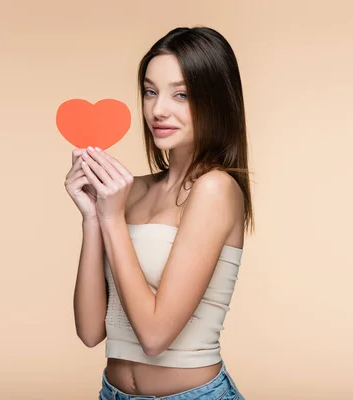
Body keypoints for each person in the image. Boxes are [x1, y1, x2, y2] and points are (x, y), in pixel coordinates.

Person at [64, 26, 253, 399]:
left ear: (215, 100)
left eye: (181, 95)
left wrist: (113, 219)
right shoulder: (129, 191)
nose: (157, 110)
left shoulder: (216, 189)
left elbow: (154, 336)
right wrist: (93, 216)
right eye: (150, 92)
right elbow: (90, 331)